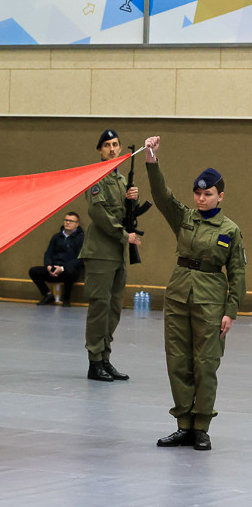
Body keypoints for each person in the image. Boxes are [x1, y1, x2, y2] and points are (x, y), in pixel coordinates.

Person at [144, 136, 246, 451]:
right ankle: (183, 425)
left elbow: (238, 273)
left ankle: (201, 427)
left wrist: (231, 310)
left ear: (220, 196)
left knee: (205, 364)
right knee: (177, 362)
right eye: (198, 193)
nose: (201, 198)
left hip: (211, 301)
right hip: (178, 296)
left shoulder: (230, 230)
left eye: (208, 194)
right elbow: (162, 197)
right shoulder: (185, 218)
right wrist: (151, 159)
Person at [81, 129, 141, 382]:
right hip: (101, 252)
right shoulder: (96, 178)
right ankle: (94, 361)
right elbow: (99, 213)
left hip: (117, 254)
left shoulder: (119, 180)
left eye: (116, 144)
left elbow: (123, 212)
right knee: (100, 307)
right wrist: (122, 235)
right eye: (107, 145)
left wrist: (133, 200)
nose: (113, 149)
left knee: (114, 308)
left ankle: (105, 357)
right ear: (99, 150)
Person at [29, 213, 85, 307]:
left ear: (77, 224)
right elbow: (48, 253)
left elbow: (80, 258)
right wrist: (48, 266)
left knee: (70, 271)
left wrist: (62, 268)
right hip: (54, 269)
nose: (67, 222)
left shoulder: (81, 238)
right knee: (33, 271)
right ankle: (48, 295)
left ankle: (66, 299)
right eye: (66, 220)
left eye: (71, 221)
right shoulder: (56, 237)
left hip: (68, 271)